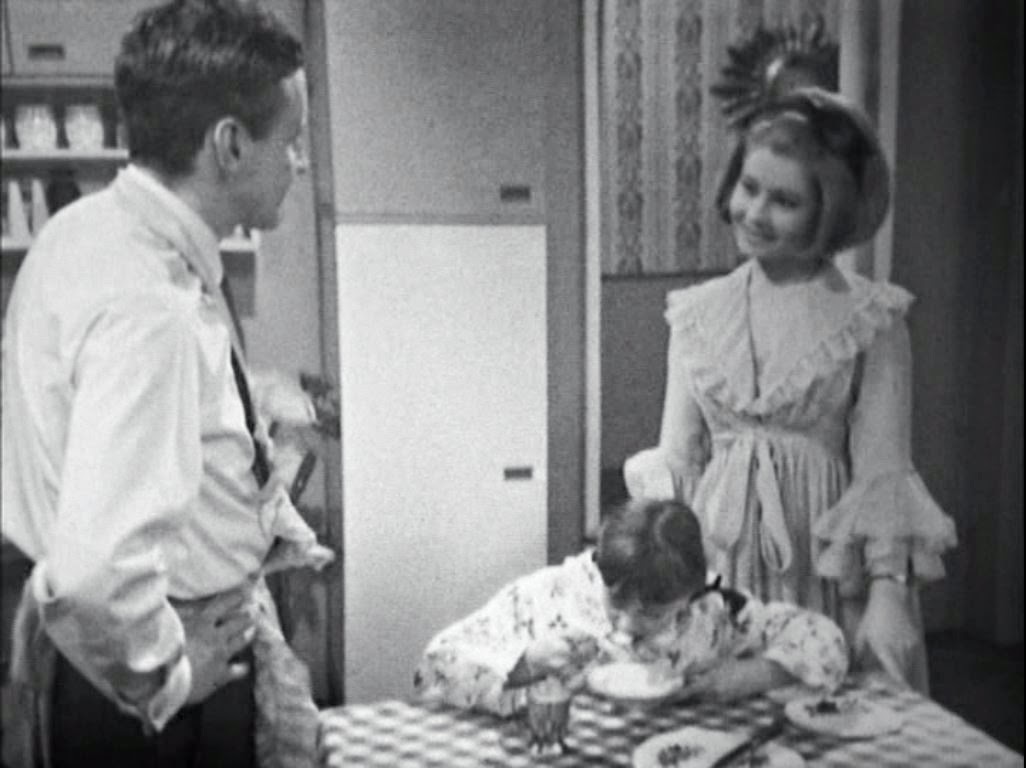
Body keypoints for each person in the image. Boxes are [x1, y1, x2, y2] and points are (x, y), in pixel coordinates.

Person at [1, 1, 332, 766]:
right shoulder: (151, 301)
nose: (298, 164)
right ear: (230, 144)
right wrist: (170, 675)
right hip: (155, 687)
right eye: (291, 141)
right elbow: (96, 575)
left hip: (93, 662)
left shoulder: (82, 232)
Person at [623, 87, 957, 694]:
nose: (755, 212)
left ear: (828, 211)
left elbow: (884, 471)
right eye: (749, 187)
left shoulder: (871, 320)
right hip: (721, 561)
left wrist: (888, 593)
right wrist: (653, 565)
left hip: (822, 565)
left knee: (823, 711)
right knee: (721, 712)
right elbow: (677, 460)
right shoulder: (696, 314)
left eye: (784, 201)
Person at [414, 499, 849, 745]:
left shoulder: (715, 612)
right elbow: (436, 664)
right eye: (615, 604)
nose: (625, 627)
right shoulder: (552, 597)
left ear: (691, 593)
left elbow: (825, 640)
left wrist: (759, 673)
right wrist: (524, 664)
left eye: (653, 614)